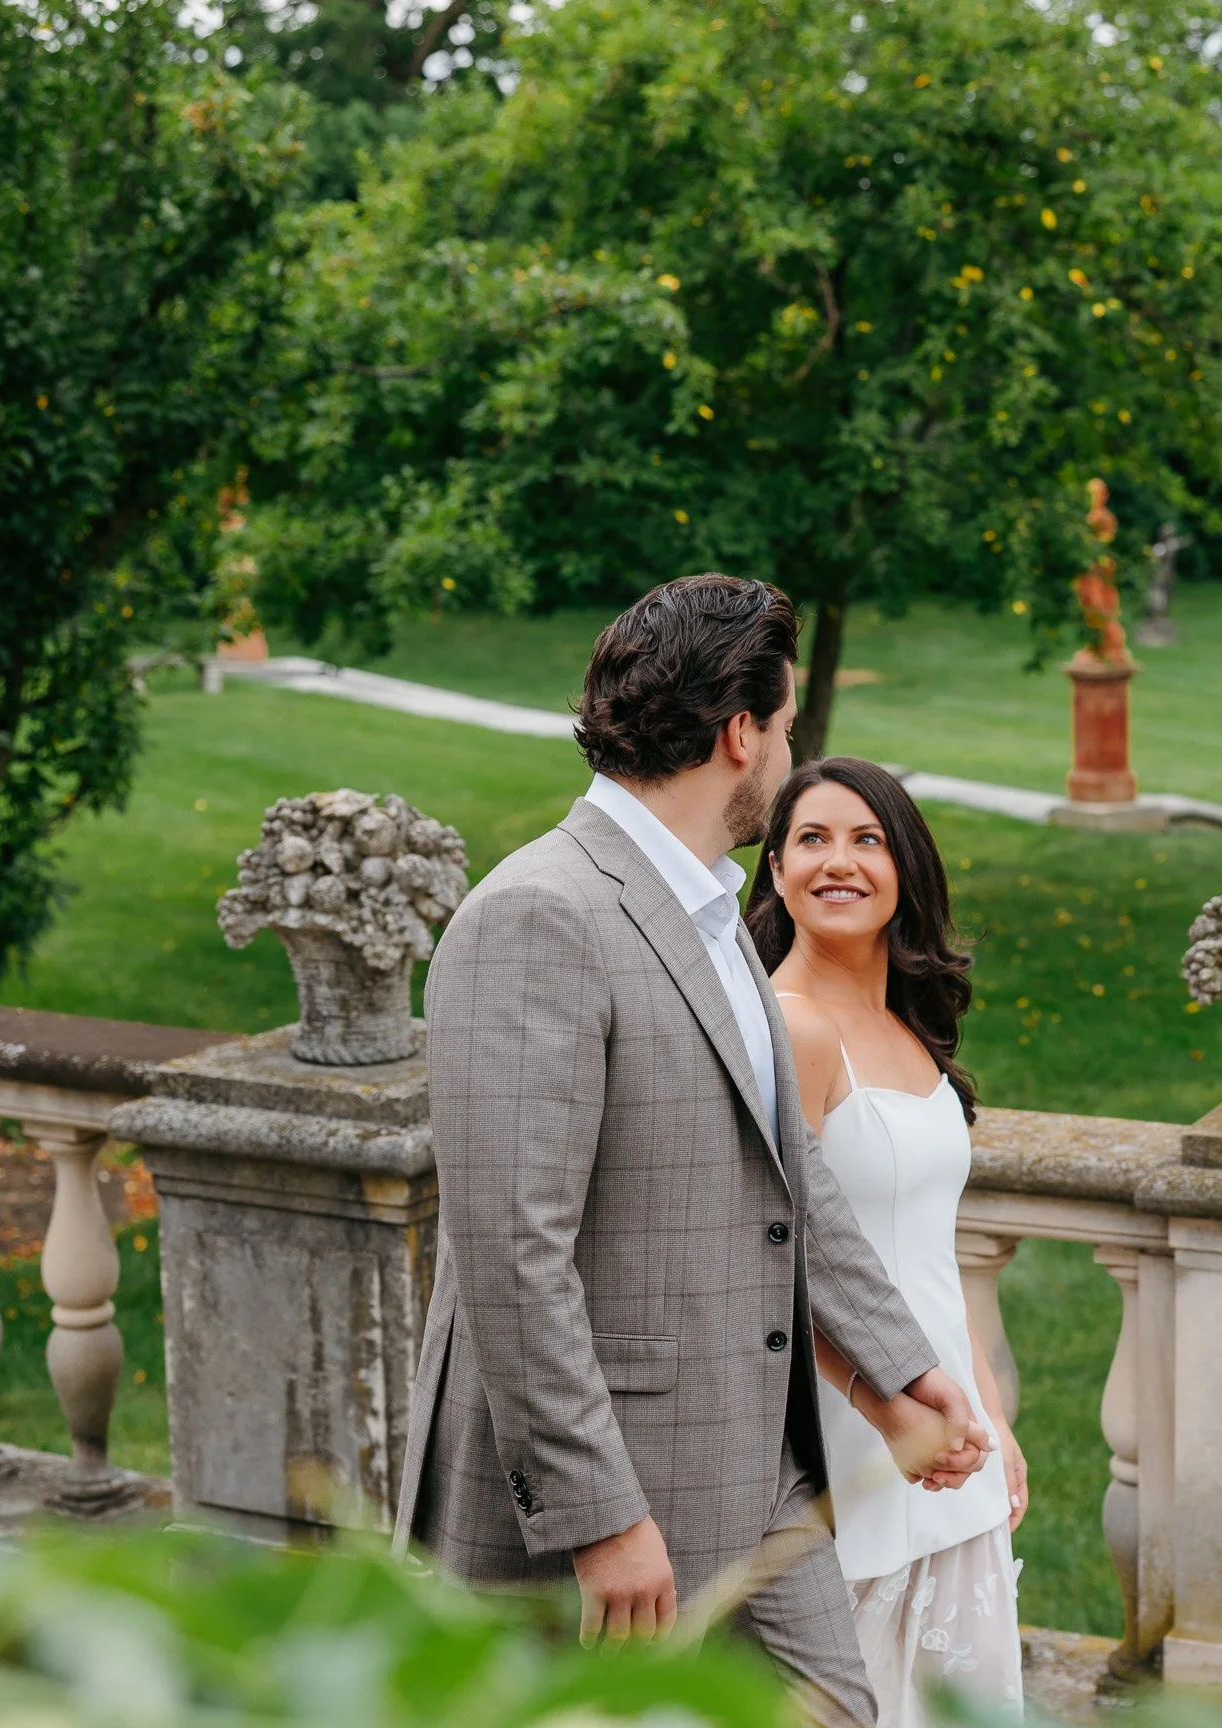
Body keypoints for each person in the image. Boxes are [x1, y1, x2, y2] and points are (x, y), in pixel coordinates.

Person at [392, 574, 993, 1728]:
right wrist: (597, 1518)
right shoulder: (538, 916)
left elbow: (787, 1173)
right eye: (782, 729)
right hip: (608, 1491)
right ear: (736, 735)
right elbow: (511, 1249)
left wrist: (900, 1369)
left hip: (755, 1463)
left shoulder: (713, 912)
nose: (786, 753)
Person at [748, 756, 1028, 1727]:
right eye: (811, 839)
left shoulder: (908, 1026)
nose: (840, 862)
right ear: (774, 869)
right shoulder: (790, 1028)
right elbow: (768, 1262)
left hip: (948, 1425)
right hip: (851, 1433)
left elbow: (930, 1258)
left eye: (866, 839)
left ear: (904, 865)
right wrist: (886, 1410)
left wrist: (992, 1415)